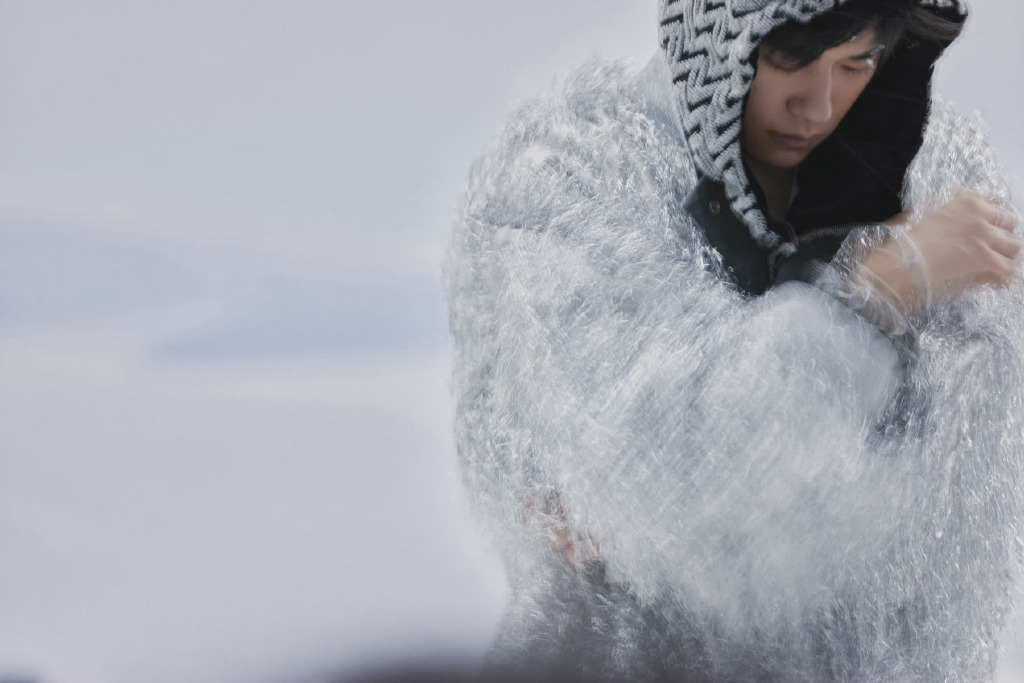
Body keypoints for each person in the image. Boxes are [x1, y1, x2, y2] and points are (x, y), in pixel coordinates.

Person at [444, 0, 1024, 681]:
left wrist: (642, 521)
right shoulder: (575, 174)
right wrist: (876, 295)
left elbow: (957, 517)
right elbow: (689, 482)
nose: (819, 104)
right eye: (790, 62)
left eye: (856, 63)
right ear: (721, 39)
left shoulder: (937, 182)